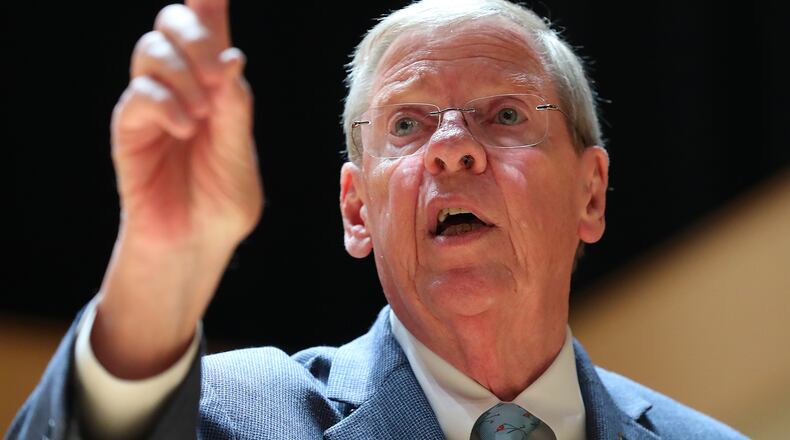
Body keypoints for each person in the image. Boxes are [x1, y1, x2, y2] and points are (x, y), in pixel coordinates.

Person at [7, 0, 747, 439]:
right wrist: (160, 262)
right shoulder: (226, 416)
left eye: (507, 114)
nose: (454, 148)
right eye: (407, 126)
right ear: (356, 211)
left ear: (591, 195)